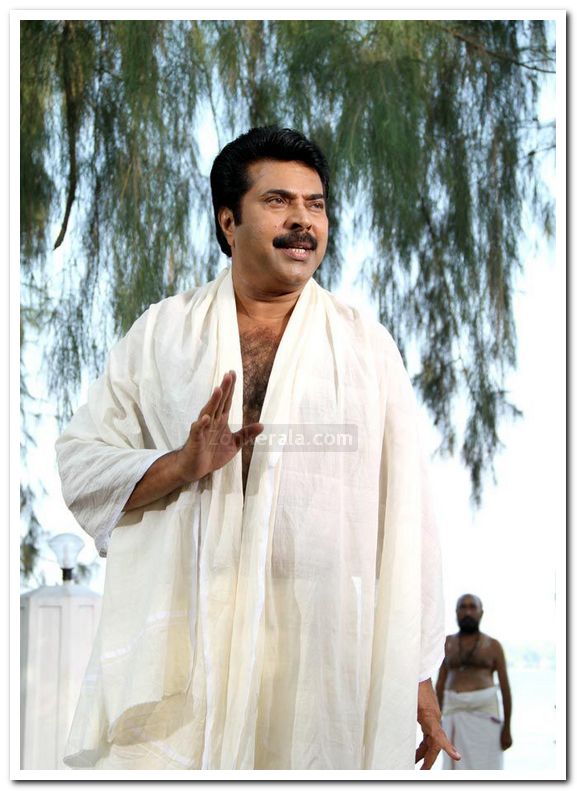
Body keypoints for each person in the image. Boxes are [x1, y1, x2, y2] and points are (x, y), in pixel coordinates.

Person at [56, 126, 460, 771]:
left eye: (315, 204)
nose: (303, 221)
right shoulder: (162, 334)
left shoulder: (366, 347)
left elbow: (407, 517)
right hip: (183, 655)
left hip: (316, 659)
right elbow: (82, 465)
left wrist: (416, 674)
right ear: (228, 220)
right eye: (278, 201)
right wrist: (182, 464)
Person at [435, 594, 513, 769]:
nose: (468, 612)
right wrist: (435, 723)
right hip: (453, 711)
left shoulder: (493, 646)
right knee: (454, 766)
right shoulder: (447, 644)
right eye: (463, 607)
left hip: (485, 713)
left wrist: (507, 728)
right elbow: (439, 685)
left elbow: (505, 689)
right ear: (456, 612)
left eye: (472, 607)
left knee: (488, 767)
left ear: (481, 612)